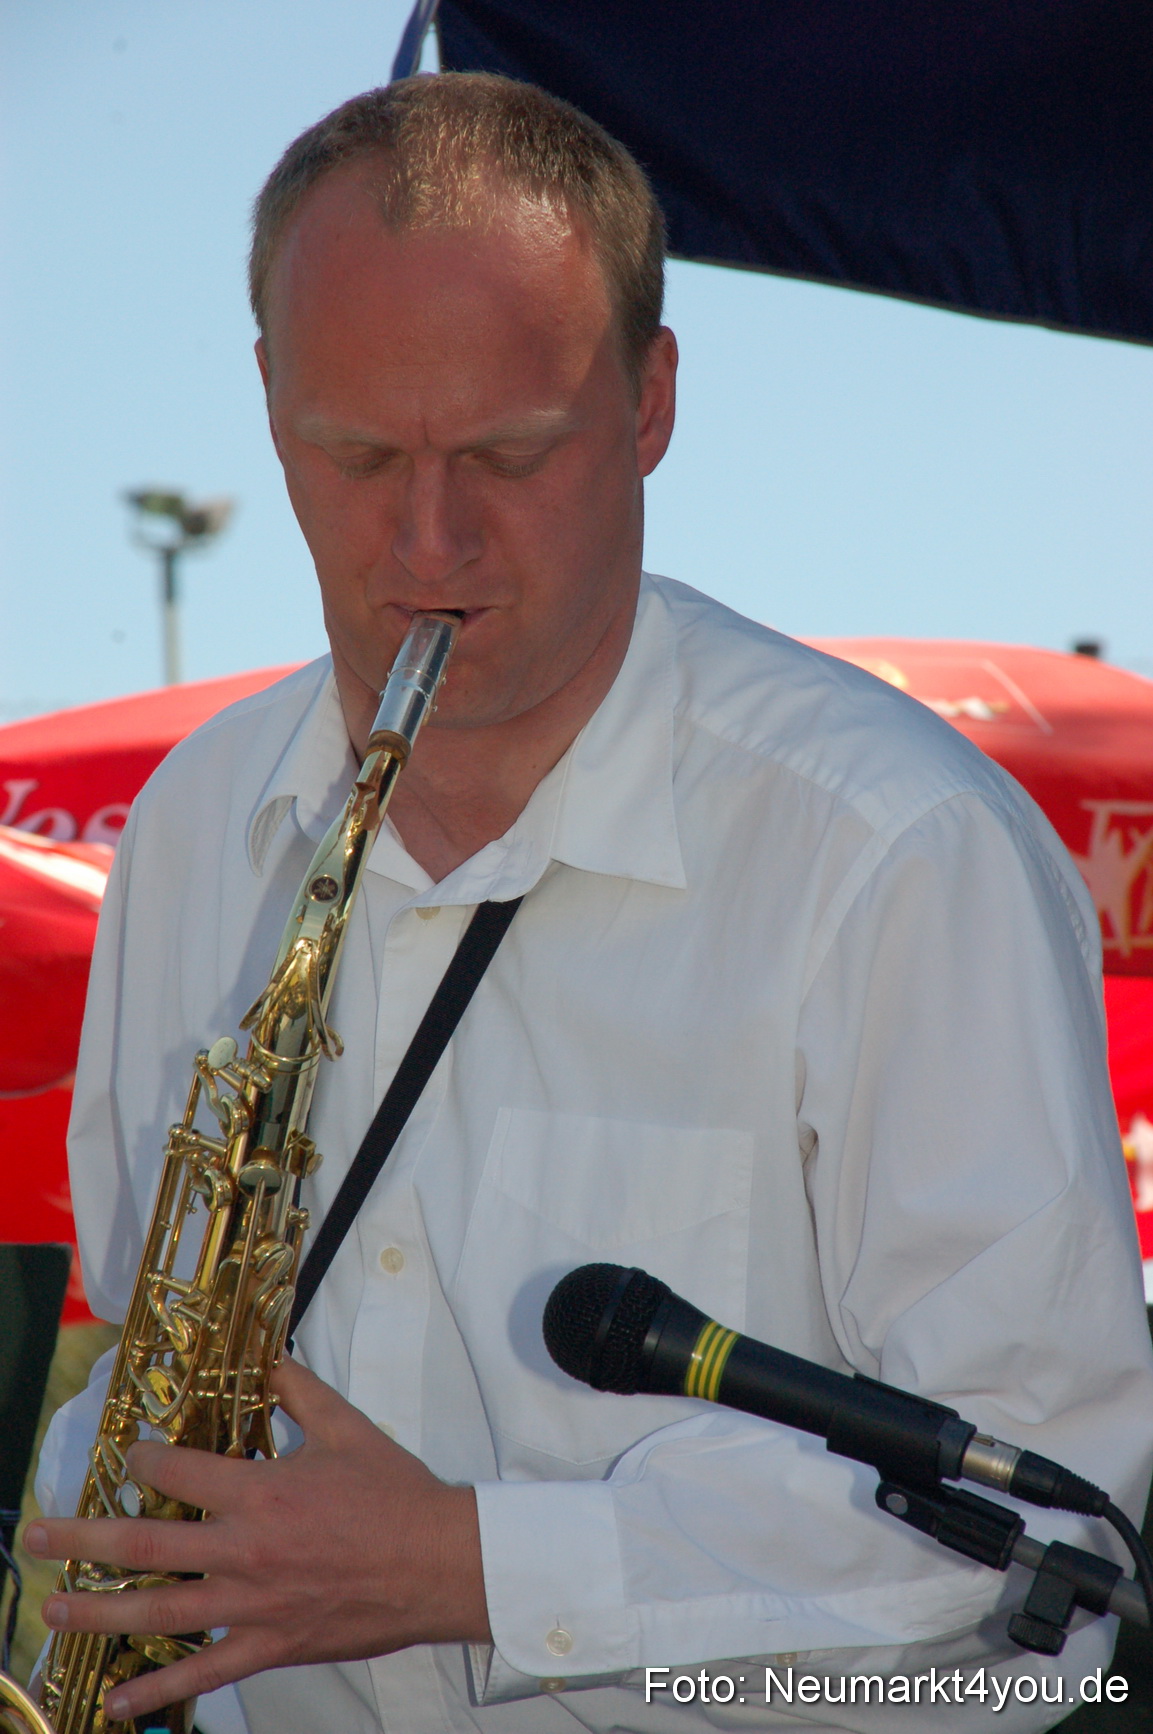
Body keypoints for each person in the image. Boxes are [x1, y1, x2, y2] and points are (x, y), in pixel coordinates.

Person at [29, 73, 1153, 1734]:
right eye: (354, 457)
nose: (429, 539)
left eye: (507, 453)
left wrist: (472, 1569)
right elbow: (145, 1347)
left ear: (648, 402)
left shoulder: (899, 851)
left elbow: (1051, 1540)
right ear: (270, 403)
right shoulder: (200, 820)